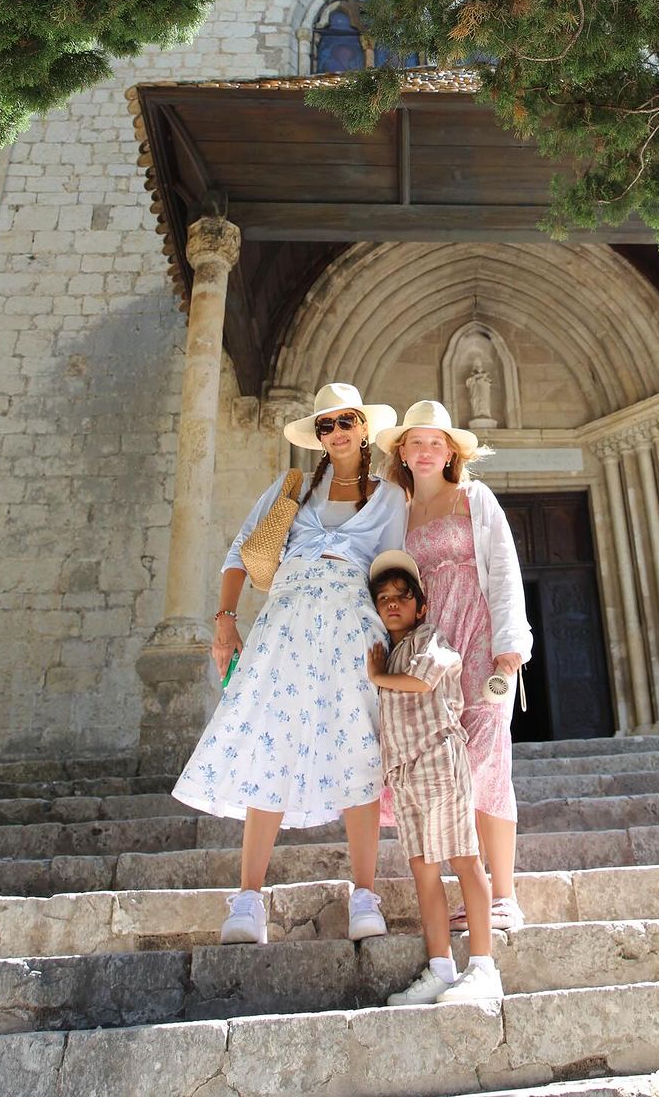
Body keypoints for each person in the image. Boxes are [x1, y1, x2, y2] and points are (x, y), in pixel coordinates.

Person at [173, 382, 407, 946]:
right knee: (269, 741)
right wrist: (226, 619)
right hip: (287, 623)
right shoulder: (292, 488)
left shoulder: (390, 497)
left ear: (363, 427)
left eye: (345, 421)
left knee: (358, 746)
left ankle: (365, 894)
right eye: (325, 426)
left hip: (354, 626)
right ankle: (249, 899)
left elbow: (397, 570)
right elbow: (240, 552)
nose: (336, 433)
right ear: (319, 438)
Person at [376, 400, 532, 932]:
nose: (424, 451)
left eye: (435, 442)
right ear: (402, 451)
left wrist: (511, 643)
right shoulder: (395, 511)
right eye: (415, 442)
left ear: (450, 453)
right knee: (442, 763)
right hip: (428, 650)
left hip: (479, 637)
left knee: (488, 757)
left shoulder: (474, 498)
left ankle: (503, 893)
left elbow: (505, 569)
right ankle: (467, 889)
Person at [366, 550, 503, 1006]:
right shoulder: (387, 651)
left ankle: (483, 965)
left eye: (402, 597)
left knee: (464, 857)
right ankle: (441, 967)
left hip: (440, 759)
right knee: (423, 870)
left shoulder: (430, 638)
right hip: (405, 774)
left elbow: (423, 682)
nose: (392, 604)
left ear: (420, 606)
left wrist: (377, 677)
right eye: (383, 598)